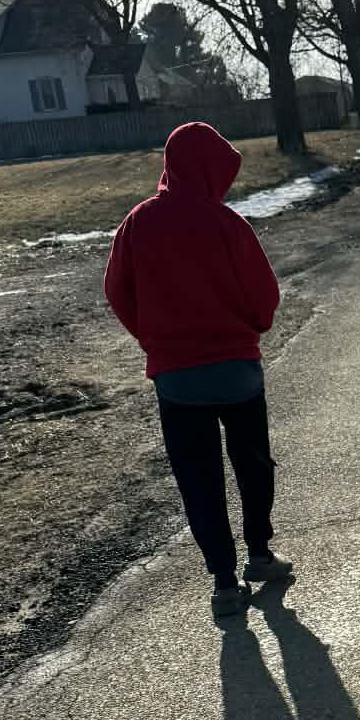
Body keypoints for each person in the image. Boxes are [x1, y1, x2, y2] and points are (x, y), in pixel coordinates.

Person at [104, 121, 292, 620]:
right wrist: (252, 327)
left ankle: (224, 582)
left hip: (178, 377)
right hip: (236, 368)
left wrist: (153, 338)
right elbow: (263, 295)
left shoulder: (139, 222)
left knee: (198, 477)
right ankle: (259, 553)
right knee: (253, 463)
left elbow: (117, 290)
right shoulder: (227, 223)